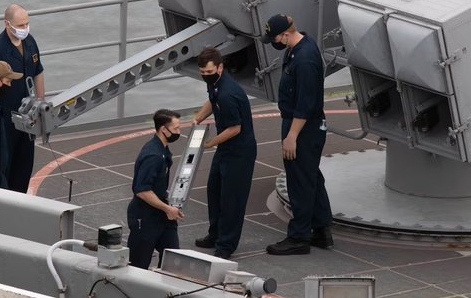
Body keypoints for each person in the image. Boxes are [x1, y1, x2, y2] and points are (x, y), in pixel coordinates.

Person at [261, 14, 333, 256]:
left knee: (299, 181)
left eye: (276, 38)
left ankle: (299, 236)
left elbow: (305, 103)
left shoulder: (303, 60)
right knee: (311, 176)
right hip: (304, 125)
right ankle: (322, 230)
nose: (275, 42)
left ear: (285, 35)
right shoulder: (300, 46)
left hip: (302, 127)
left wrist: (291, 136)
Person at [191, 47, 257, 259]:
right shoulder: (217, 85)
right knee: (215, 190)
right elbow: (212, 100)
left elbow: (234, 128)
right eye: (203, 73)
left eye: (209, 72)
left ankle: (226, 244)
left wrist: (209, 143)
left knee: (232, 199)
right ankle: (215, 233)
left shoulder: (228, 94)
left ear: (220, 67)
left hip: (239, 151)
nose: (206, 77)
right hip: (226, 148)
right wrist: (198, 118)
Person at [0, 4, 44, 193]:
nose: (25, 28)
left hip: (28, 120)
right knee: (3, 169)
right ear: (7, 24)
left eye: (27, 24)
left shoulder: (30, 42)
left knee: (24, 168)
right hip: (5, 121)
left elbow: (38, 71)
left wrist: (41, 103)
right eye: (21, 25)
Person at [126, 109, 185, 269]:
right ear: (163, 129)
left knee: (172, 258)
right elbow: (142, 190)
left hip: (161, 215)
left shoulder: (163, 151)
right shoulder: (153, 156)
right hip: (144, 217)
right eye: (176, 129)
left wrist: (168, 209)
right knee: (138, 264)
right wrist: (167, 208)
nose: (179, 132)